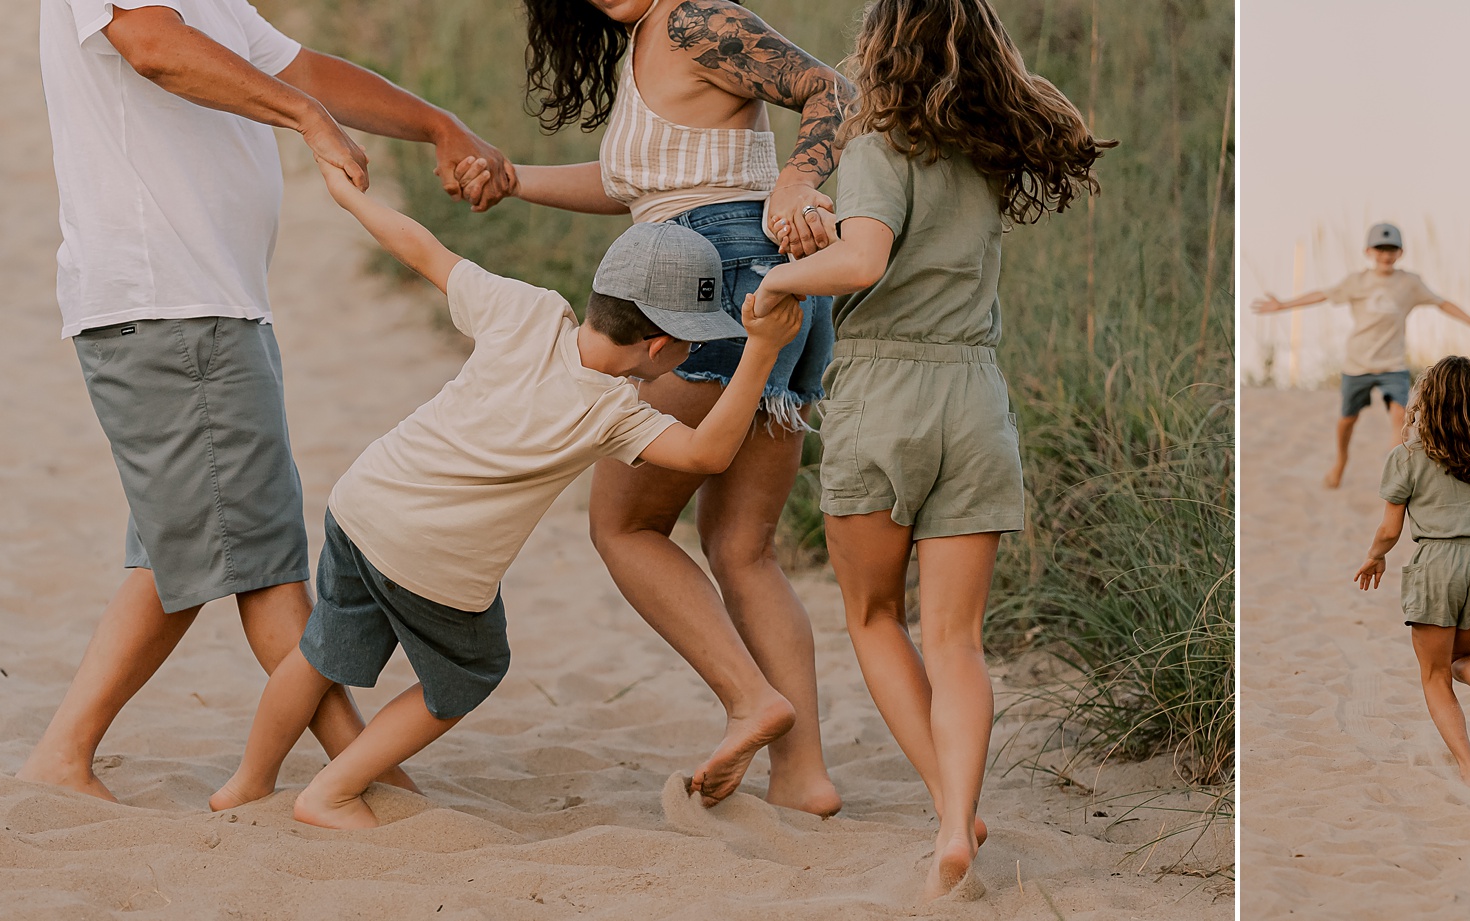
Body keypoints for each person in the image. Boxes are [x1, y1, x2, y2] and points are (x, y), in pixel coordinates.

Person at [208, 156, 803, 829]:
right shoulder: (612, 410)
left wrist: (352, 201)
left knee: (320, 649)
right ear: (662, 346)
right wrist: (758, 352)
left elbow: (423, 250)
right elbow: (708, 451)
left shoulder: (526, 308)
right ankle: (331, 790)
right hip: (432, 557)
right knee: (469, 672)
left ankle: (245, 783)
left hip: (364, 501)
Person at [22, 0, 515, 801]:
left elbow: (302, 68)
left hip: (204, 304)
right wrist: (307, 121)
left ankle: (61, 754)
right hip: (173, 302)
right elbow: (153, 48)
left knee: (183, 545)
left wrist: (436, 123)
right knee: (266, 565)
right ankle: (366, 774)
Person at [747, 0, 1111, 899]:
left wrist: (781, 276)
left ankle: (950, 807)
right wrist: (828, 231)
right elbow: (893, 247)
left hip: (884, 397)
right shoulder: (984, 159)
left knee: (874, 617)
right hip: (974, 400)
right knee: (958, 639)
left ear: (879, 49)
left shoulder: (876, 152)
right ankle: (957, 820)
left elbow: (867, 262)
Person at [456, 0, 853, 816]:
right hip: (776, 287)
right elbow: (634, 185)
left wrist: (799, 173)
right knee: (743, 550)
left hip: (716, 282)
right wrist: (515, 178)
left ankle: (750, 698)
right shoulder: (655, 38)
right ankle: (803, 775)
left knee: (625, 525)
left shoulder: (693, 19)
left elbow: (833, 91)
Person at [1353, 356, 1470, 787]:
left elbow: (1389, 529)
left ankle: (1468, 768)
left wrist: (1375, 555)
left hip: (1436, 564)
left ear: (1427, 401)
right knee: (1464, 658)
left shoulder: (1407, 457)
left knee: (1436, 674)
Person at [1250, 223, 1470, 488]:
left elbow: (1441, 302)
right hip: (1358, 364)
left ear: (1400, 252)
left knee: (1400, 417)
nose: (1385, 255)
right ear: (1368, 251)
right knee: (1347, 420)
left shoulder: (1409, 283)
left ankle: (1396, 474)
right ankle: (1341, 461)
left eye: (1391, 249)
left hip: (1393, 364)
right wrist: (1283, 304)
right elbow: (1322, 294)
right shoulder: (1357, 282)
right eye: (1380, 249)